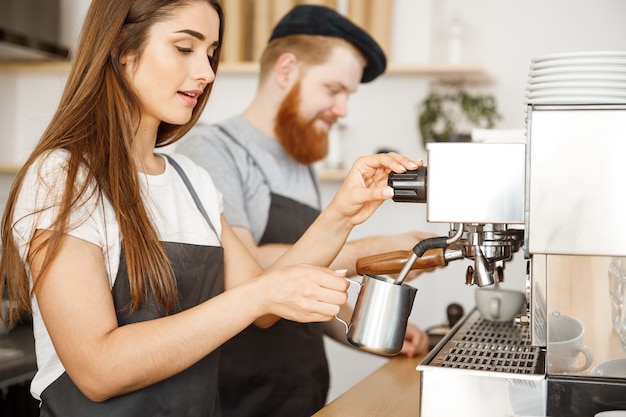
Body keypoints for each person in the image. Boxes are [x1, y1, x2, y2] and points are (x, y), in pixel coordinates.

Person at [0, 1, 423, 416]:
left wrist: (343, 212)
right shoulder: (63, 178)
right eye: (185, 48)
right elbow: (98, 371)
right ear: (121, 48)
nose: (205, 72)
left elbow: (265, 304)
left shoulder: (191, 181)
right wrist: (259, 295)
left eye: (211, 53)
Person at [176, 5, 431, 416]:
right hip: (239, 398)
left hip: (301, 394)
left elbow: (308, 280)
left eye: (348, 95)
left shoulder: (301, 166)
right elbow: (243, 271)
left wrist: (366, 331)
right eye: (334, 90)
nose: (343, 109)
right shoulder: (212, 151)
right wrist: (375, 250)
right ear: (286, 69)